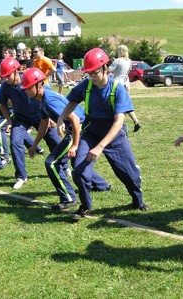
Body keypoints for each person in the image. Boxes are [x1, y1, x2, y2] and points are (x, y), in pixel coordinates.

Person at [59, 48, 149, 220]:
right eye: (88, 73)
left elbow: (118, 122)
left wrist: (100, 147)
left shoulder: (117, 89)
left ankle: (137, 201)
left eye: (94, 73)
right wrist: (61, 118)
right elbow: (72, 101)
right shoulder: (86, 86)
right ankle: (85, 207)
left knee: (129, 173)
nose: (91, 77)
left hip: (114, 135)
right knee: (79, 171)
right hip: (91, 132)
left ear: (105, 68)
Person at [21, 68, 112, 210]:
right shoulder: (40, 100)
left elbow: (75, 121)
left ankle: (68, 198)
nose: (25, 91)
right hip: (76, 129)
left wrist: (75, 145)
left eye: (28, 88)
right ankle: (102, 185)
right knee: (77, 163)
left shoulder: (49, 100)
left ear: (39, 85)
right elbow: (44, 123)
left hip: (78, 130)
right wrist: (34, 144)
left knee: (51, 163)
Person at [0, 57, 61, 189]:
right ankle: (21, 176)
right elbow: (3, 104)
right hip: (21, 119)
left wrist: (50, 117)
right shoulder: (5, 86)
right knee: (15, 142)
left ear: (16, 71)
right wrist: (9, 121)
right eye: (3, 76)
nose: (5, 79)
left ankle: (63, 167)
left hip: (40, 116)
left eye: (7, 75)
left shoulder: (29, 78)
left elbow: (46, 93)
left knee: (54, 141)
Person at [108, 45, 141, 132]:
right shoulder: (129, 61)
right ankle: (135, 121)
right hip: (126, 83)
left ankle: (117, 123)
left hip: (117, 84)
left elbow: (109, 70)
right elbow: (129, 71)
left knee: (115, 104)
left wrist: (111, 62)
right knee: (126, 103)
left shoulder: (117, 61)